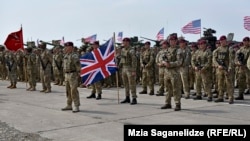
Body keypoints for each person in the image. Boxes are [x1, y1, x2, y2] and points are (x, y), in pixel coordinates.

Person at [160, 34, 183, 111]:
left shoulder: (178, 50)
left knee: (175, 89)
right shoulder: (166, 50)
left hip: (174, 72)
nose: (171, 42)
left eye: (173, 40)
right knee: (167, 89)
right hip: (166, 72)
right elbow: (162, 58)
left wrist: (170, 64)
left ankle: (177, 104)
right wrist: (163, 62)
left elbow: (179, 62)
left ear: (176, 41)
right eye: (170, 40)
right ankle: (168, 103)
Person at [213, 35, 235, 104]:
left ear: (226, 41)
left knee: (229, 84)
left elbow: (231, 60)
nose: (222, 42)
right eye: (221, 41)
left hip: (227, 69)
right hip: (220, 69)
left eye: (224, 40)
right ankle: (220, 97)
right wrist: (218, 65)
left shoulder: (229, 49)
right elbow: (214, 59)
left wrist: (230, 68)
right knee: (220, 83)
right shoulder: (217, 50)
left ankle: (230, 97)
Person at [61, 42, 81, 113]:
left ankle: (76, 105)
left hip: (73, 74)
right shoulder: (66, 55)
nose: (65, 48)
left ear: (71, 47)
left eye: (67, 47)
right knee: (68, 91)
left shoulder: (74, 55)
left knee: (73, 90)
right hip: (67, 75)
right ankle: (69, 105)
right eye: (65, 47)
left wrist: (79, 73)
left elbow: (78, 65)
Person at [119, 37, 138, 105]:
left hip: (130, 68)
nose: (124, 43)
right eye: (124, 41)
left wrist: (133, 70)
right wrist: (119, 66)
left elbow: (134, 60)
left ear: (128, 42)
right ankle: (127, 97)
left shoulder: (131, 50)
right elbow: (122, 59)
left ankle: (134, 98)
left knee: (132, 84)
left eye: (126, 42)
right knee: (126, 84)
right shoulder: (123, 50)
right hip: (124, 67)